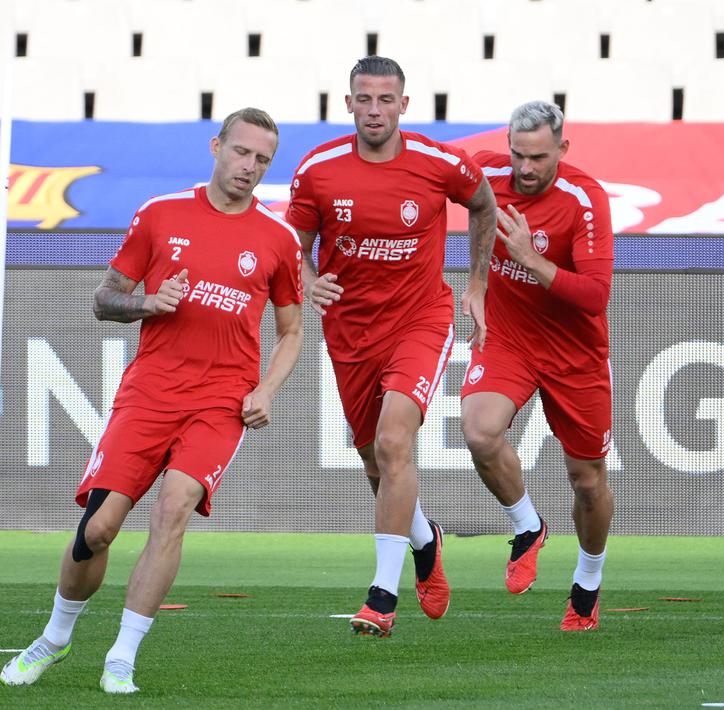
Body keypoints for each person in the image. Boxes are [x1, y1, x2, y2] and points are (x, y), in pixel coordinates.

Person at [1, 108, 304, 693]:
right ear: (216, 147)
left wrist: (266, 389)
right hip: (149, 393)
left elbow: (292, 329)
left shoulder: (278, 238)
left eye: (261, 159)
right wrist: (149, 304)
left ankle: (122, 656)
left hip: (220, 402)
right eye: (241, 152)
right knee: (99, 529)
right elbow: (104, 298)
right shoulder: (161, 214)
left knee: (174, 509)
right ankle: (55, 639)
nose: (249, 166)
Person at [286, 56, 497, 637]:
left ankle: (381, 597)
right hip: (350, 333)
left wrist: (476, 285)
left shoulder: (439, 161)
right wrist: (304, 278)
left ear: (404, 105)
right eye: (364, 99)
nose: (374, 110)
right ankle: (425, 541)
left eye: (385, 100)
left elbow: (483, 202)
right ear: (348, 103)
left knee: (394, 440)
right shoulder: (319, 169)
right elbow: (292, 246)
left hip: (420, 321)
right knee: (377, 463)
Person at [460, 101, 614, 631]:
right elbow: (431, 186)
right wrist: (477, 280)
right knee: (480, 433)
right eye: (518, 155)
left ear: (563, 149)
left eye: (539, 158)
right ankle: (528, 527)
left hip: (575, 354)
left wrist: (531, 260)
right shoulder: (486, 171)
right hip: (509, 339)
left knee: (588, 481)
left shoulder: (584, 199)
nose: (525, 169)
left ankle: (587, 585)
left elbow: (595, 295)